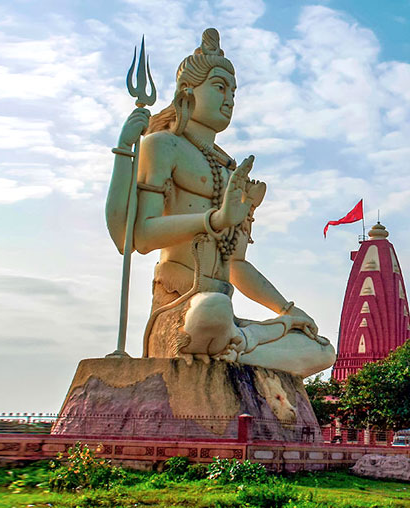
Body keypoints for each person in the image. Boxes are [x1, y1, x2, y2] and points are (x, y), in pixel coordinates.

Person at [106, 29, 335, 377]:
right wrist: (214, 219)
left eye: (233, 91)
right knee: (211, 310)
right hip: (180, 309)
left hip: (222, 313)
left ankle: (235, 345)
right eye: (219, 87)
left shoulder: (231, 172)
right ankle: (240, 344)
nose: (229, 99)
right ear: (188, 91)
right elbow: (139, 237)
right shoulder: (163, 145)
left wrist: (286, 310)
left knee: (321, 350)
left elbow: (236, 265)